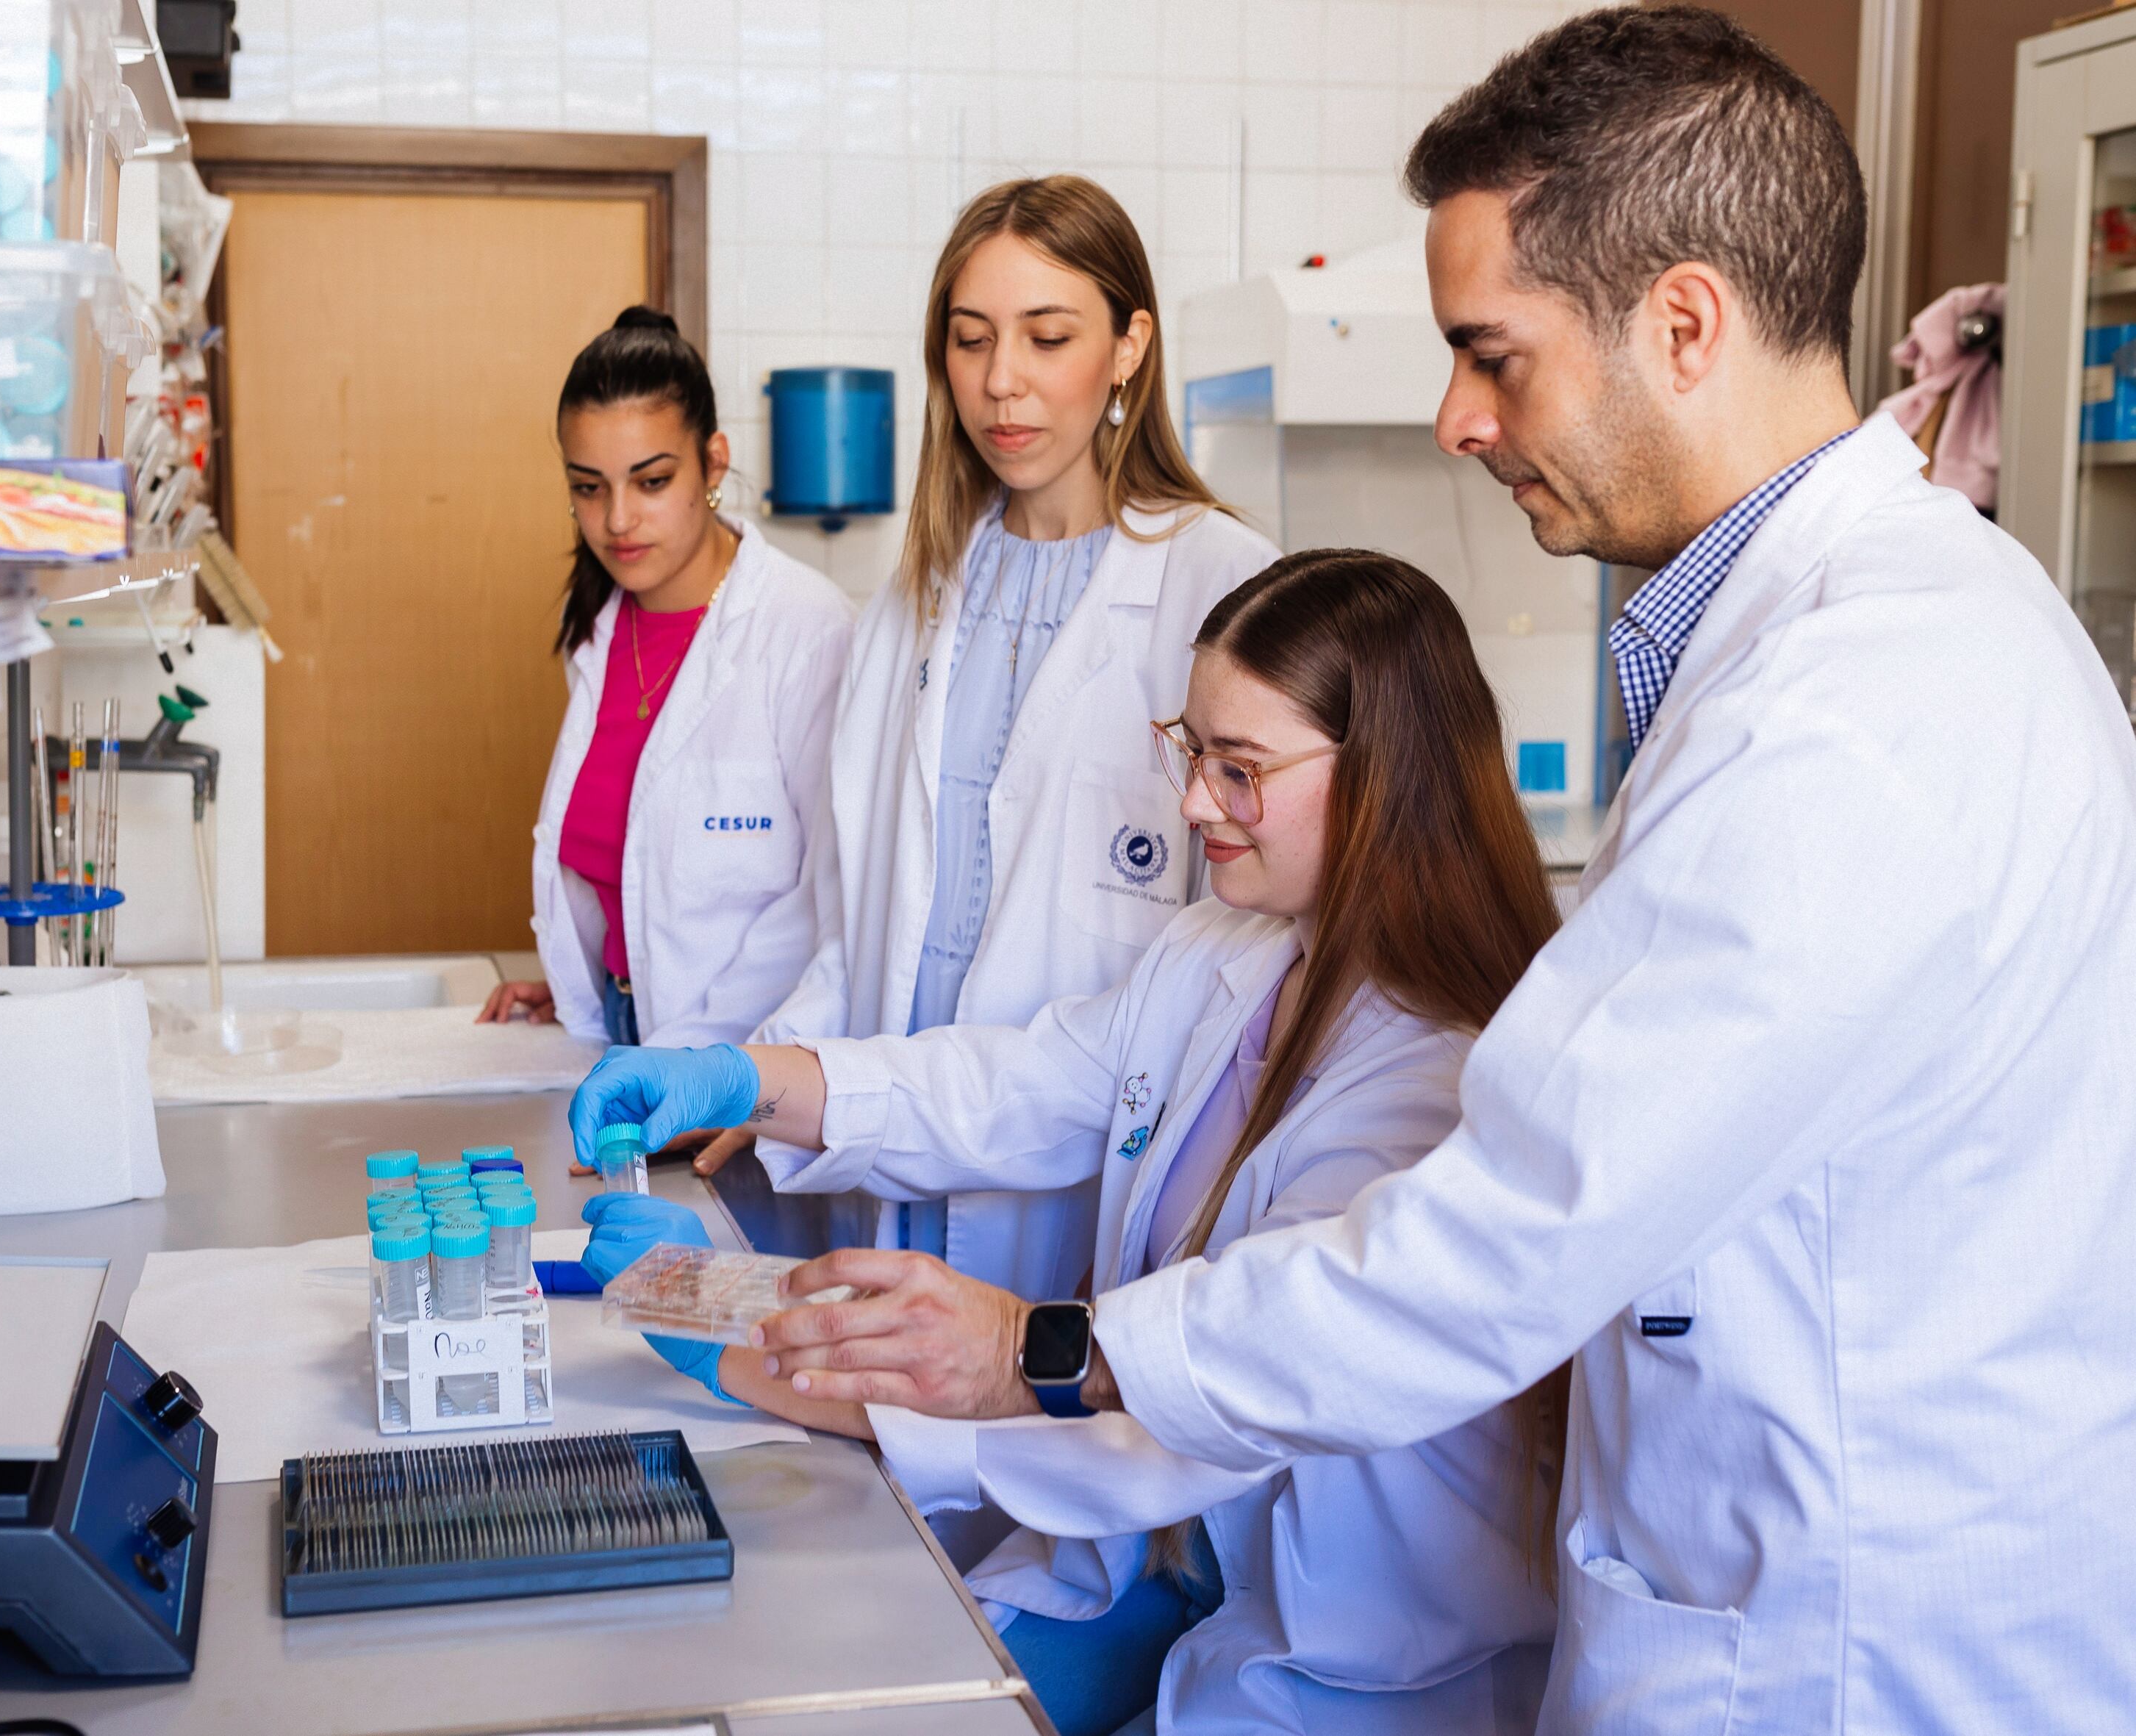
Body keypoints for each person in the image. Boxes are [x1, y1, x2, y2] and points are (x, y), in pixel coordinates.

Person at [696, 12, 2136, 1732]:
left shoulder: (1855, 701)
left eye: (1494, 355)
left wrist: (1039, 1350)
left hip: (1844, 1652)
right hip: (1765, 1579)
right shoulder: (1821, 648)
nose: (1455, 418)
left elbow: (1501, 1237)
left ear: (1683, 322)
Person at [575, 551, 1564, 1735]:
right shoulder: (1226, 954)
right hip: (1169, 1582)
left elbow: (1196, 1418)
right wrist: (748, 1075)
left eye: (1238, 768)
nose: (1195, 802)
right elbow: (1014, 1080)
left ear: (1386, 778)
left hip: (1348, 1667)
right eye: (1190, 750)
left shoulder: (1431, 1082)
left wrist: (763, 1353)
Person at [690, 175, 1278, 1302]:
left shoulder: (1223, 589)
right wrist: (753, 1077)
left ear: (1127, 347)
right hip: (890, 1164)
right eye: (968, 341)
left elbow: (1237, 965)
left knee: (1045, 1443)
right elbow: (856, 924)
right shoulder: (912, 599)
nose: (999, 380)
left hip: (1084, 1187)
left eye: (1046, 336)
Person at [476, 306, 852, 1048]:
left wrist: (716, 1076)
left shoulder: (809, 630)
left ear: (713, 463)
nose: (618, 520)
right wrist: (586, 982)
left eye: (651, 481)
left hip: (754, 1065)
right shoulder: (599, 630)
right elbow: (635, 865)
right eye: (589, 487)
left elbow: (832, 905)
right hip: (621, 1031)